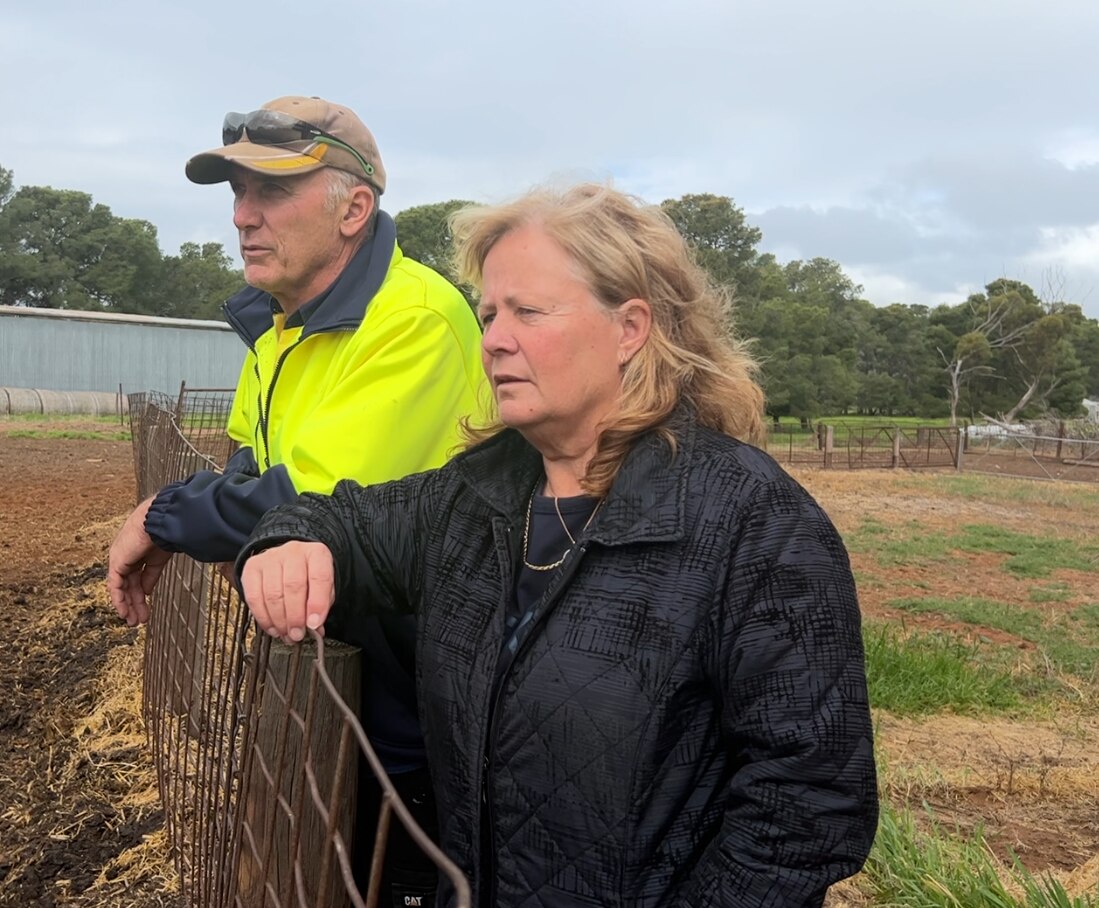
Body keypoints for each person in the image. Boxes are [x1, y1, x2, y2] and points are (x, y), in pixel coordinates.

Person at [236, 183, 879, 907]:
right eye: (487, 315)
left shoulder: (751, 524)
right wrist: (289, 540)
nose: (492, 341)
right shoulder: (475, 495)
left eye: (527, 312)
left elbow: (809, 804)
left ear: (629, 328)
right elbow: (343, 518)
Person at [107, 95, 485, 906]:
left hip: (411, 711)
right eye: (237, 193)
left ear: (353, 208)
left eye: (271, 192)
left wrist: (165, 514)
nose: (243, 216)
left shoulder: (412, 320)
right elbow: (247, 475)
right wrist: (199, 507)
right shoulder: (276, 330)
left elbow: (311, 501)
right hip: (320, 673)